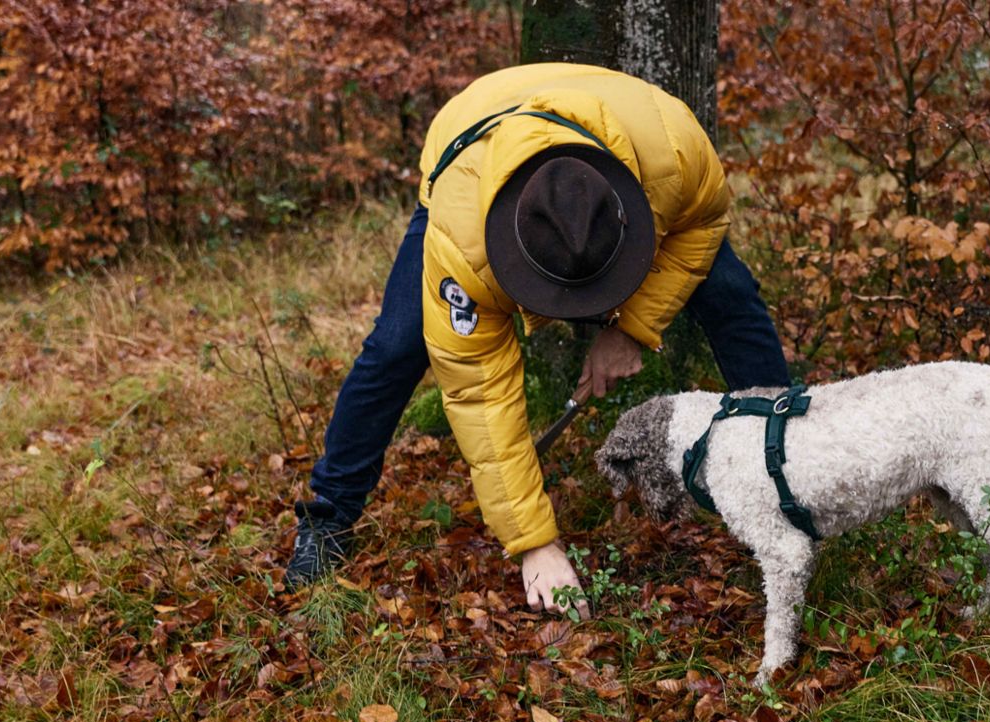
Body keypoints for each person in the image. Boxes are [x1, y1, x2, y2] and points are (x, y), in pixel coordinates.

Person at [282, 62, 792, 614]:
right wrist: (535, 545)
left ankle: (790, 468)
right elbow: (480, 391)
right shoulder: (466, 249)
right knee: (398, 345)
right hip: (468, 142)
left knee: (730, 294)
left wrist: (633, 329)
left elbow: (702, 227)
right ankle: (329, 516)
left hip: (621, 116)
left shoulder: (673, 155)